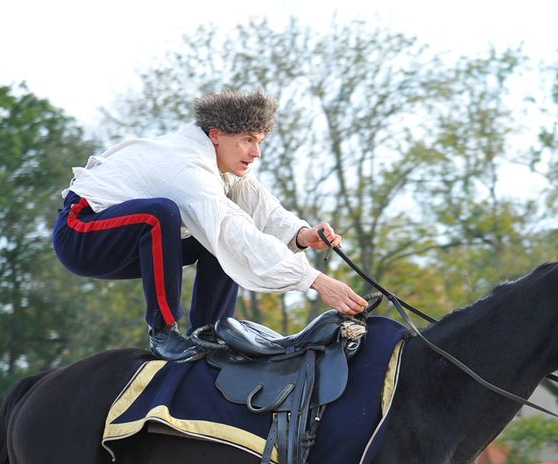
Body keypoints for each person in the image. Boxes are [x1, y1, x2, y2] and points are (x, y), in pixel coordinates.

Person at [53, 90, 368, 362]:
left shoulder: (221, 164)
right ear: (216, 135)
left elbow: (263, 210)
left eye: (258, 141)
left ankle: (209, 332)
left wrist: (301, 235)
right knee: (163, 215)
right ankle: (163, 332)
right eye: (247, 141)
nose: (256, 152)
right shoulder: (189, 168)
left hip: (129, 242)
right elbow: (233, 231)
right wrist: (315, 281)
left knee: (212, 235)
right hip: (81, 234)